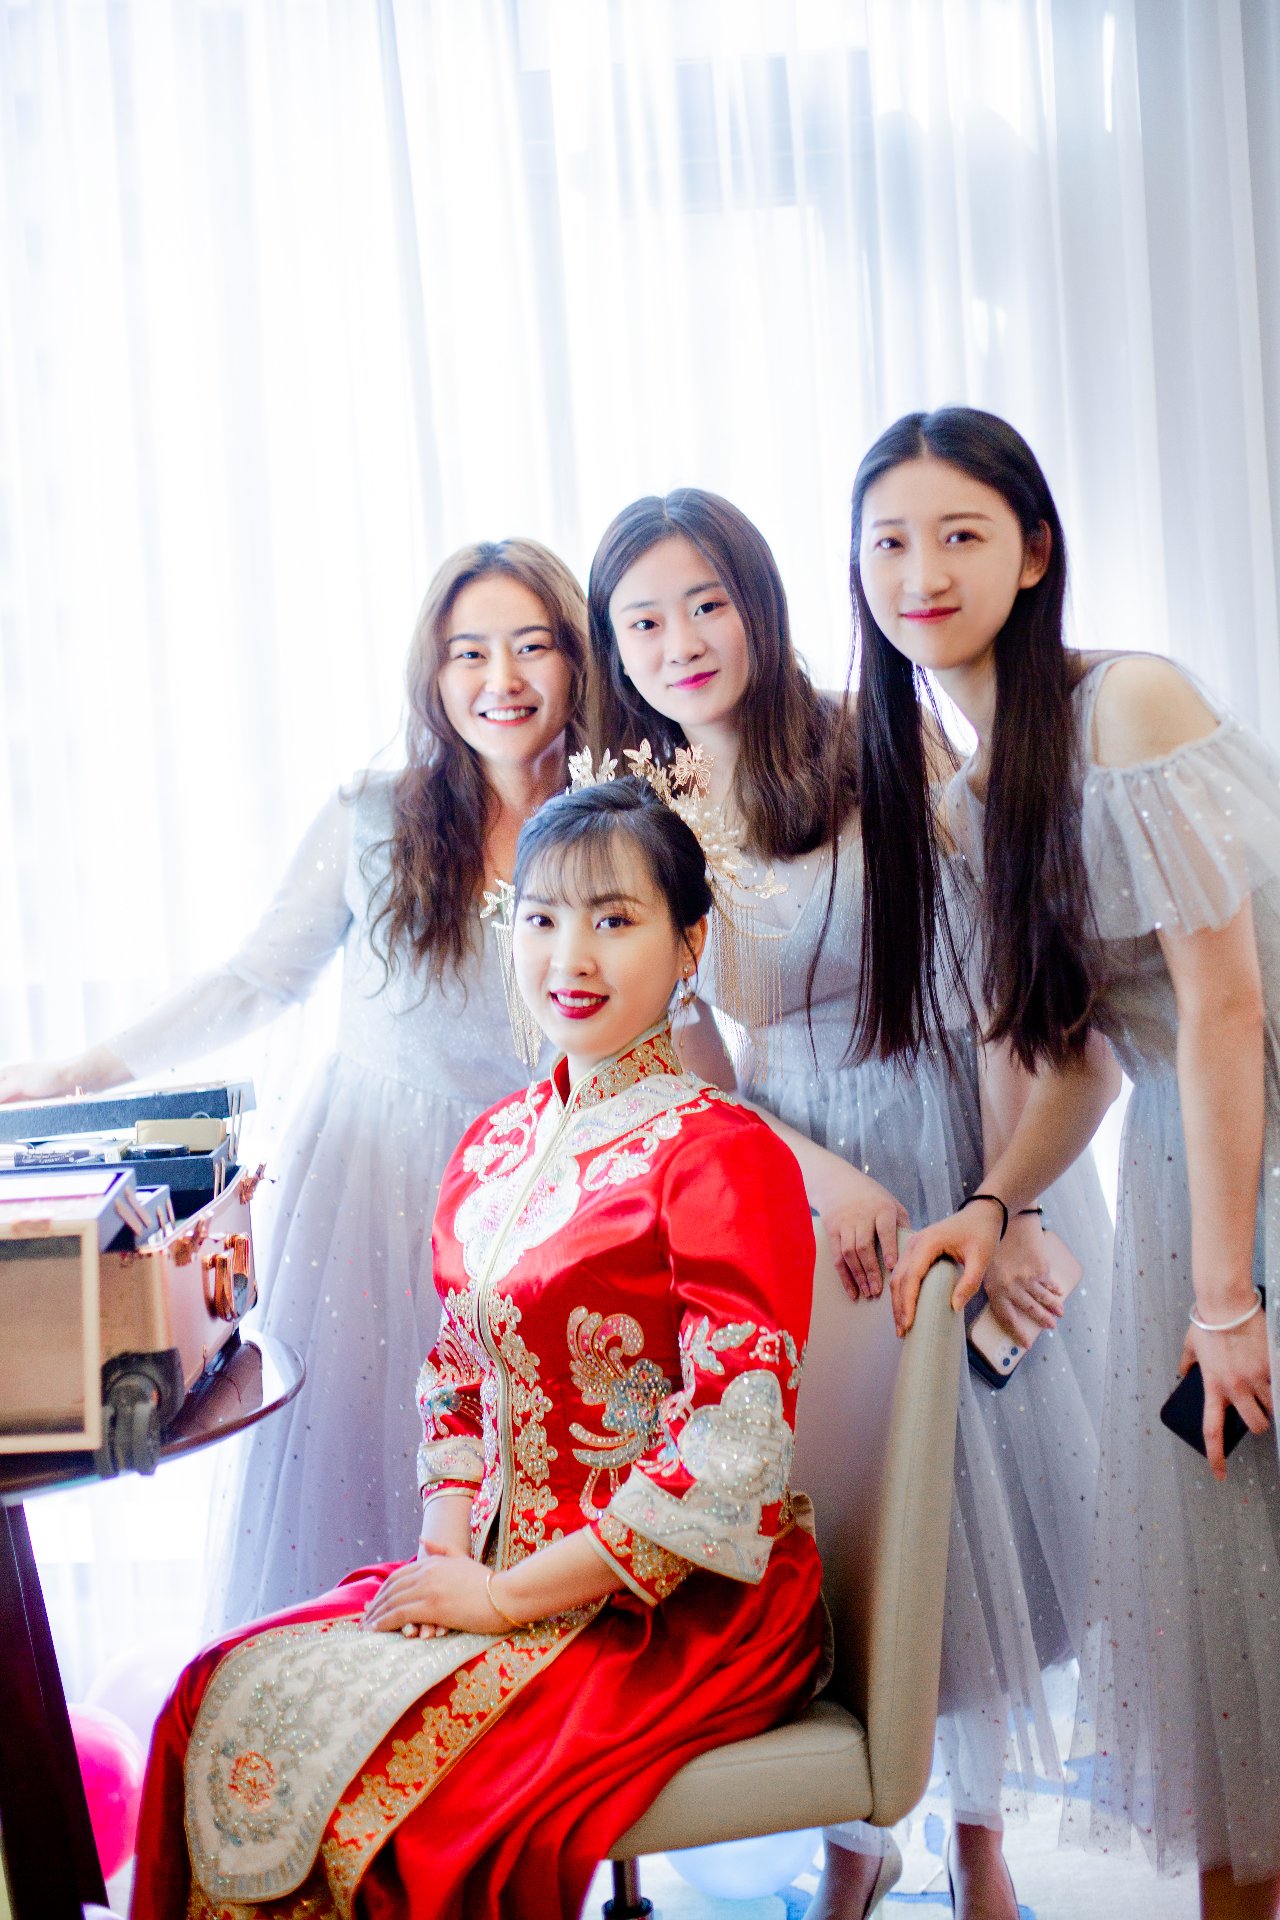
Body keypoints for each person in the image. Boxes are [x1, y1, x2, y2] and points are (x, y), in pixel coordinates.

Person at [129, 775, 827, 1920]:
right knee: (217, 1695)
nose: (571, 956)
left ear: (689, 943)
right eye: (541, 917)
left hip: (668, 1606)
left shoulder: (721, 1153)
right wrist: (449, 1565)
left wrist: (501, 1599)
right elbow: (456, 1382)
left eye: (614, 918)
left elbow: (729, 1459)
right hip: (495, 1567)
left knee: (394, 1814)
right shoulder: (495, 1143)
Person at [587, 487, 1117, 1919]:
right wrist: (820, 1182)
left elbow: (997, 982)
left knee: (982, 1507)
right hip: (800, 1179)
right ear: (614, 648)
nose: (682, 642)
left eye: (707, 603)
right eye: (644, 621)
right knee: (853, 1517)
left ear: (759, 602)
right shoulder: (645, 816)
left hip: (952, 1128)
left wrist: (1012, 1199)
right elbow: (696, 1067)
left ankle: (980, 1842)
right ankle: (856, 1832)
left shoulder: (869, 736)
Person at [857, 408, 1280, 1920]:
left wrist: (1225, 1298)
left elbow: (1223, 1008)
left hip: (1251, 1137)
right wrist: (993, 1203)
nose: (921, 571)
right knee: (1234, 1593)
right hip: (1188, 1152)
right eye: (889, 541)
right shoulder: (966, 796)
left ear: (1034, 554)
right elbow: (1084, 1055)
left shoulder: (1132, 705)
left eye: (960, 534)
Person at [0, 539, 589, 1624]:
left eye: (531, 646)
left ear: (576, 661)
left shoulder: (611, 823)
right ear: (433, 672)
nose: (500, 679)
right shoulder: (375, 815)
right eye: (468, 652)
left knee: (526, 1476)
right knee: (367, 1464)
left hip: (544, 1193)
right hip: (376, 1184)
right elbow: (256, 979)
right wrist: (81, 1068)